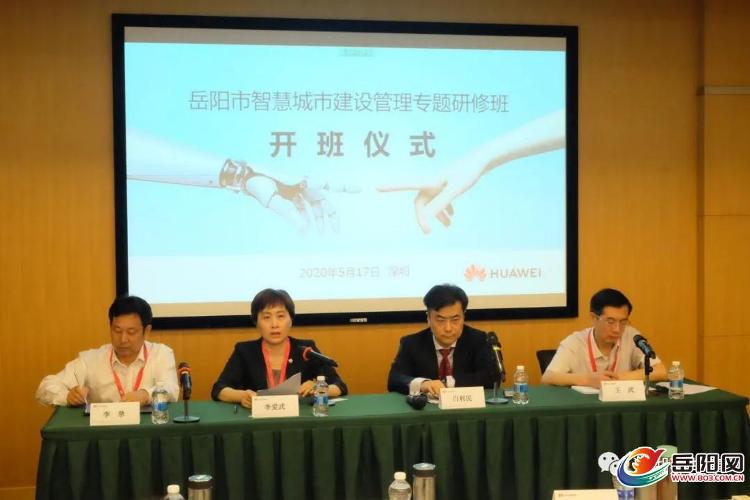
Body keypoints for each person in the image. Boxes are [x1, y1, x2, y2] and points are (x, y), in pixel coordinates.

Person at [211, 288, 348, 408]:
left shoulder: (306, 350)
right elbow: (219, 389)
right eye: (266, 317)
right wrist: (241, 396)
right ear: (256, 322)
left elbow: (339, 386)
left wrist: (319, 388)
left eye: (281, 316)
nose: (274, 324)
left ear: (290, 320)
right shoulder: (245, 351)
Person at [36, 295, 179, 406]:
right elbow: (45, 387)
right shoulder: (90, 360)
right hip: (103, 433)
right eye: (117, 330)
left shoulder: (161, 354)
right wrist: (67, 396)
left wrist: (146, 395)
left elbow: (171, 389)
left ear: (146, 331)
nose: (123, 339)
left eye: (131, 332)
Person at [541, 288, 667, 388]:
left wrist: (616, 378)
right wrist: (588, 380)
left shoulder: (632, 337)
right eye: (610, 322)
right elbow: (548, 377)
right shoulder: (575, 342)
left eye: (623, 322)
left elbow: (661, 371)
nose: (617, 329)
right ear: (593, 318)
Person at [387, 284, 497, 396]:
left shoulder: (479, 340)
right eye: (440, 320)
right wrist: (423, 384)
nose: (448, 328)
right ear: (428, 318)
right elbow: (394, 380)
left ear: (463, 317)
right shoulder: (411, 343)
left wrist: (448, 383)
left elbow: (491, 378)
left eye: (455, 319)